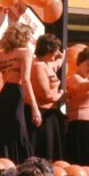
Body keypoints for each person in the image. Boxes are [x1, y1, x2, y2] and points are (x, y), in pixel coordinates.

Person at [0, 22, 37, 164]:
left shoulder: (0, 56)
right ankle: (20, 164)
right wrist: (34, 107)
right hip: (17, 92)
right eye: (28, 35)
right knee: (18, 129)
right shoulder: (25, 52)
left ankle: (2, 162)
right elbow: (26, 79)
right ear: (22, 36)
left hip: (4, 94)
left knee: (3, 133)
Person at [28, 33, 66, 161]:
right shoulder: (37, 65)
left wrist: (62, 58)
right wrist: (61, 94)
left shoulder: (47, 64)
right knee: (43, 153)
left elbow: (56, 64)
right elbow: (46, 94)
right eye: (55, 51)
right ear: (48, 50)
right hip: (42, 115)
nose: (56, 54)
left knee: (51, 153)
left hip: (51, 115)